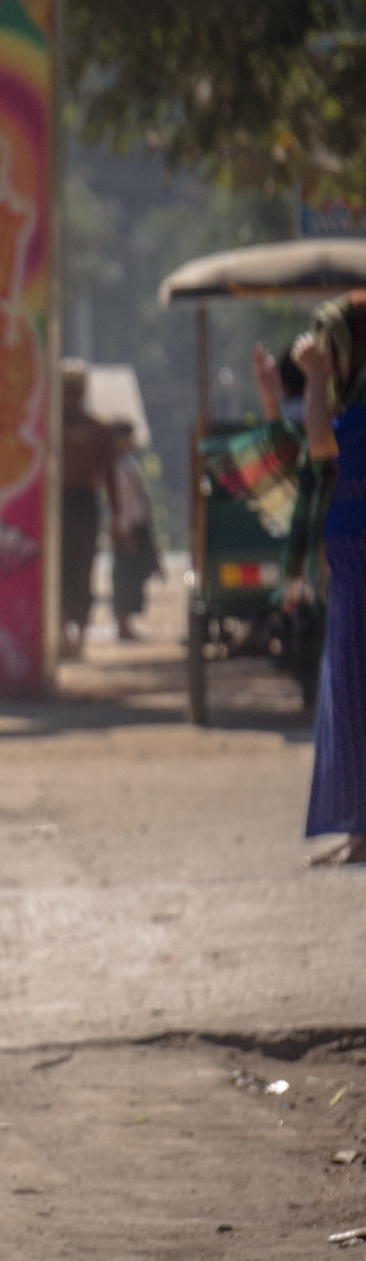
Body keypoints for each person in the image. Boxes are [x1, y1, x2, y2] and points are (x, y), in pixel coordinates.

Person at [291, 300, 366, 866]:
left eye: (332, 347)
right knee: (349, 691)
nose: (327, 357)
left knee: (356, 691)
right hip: (349, 563)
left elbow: (320, 444)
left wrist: (313, 376)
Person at [58, 361, 111, 660]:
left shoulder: (98, 429)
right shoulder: (47, 428)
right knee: (60, 568)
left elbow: (110, 477)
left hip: (82, 502)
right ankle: (64, 631)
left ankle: (76, 634)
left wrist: (118, 517)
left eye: (72, 392)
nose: (69, 399)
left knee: (80, 567)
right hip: (59, 504)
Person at [106, 421, 160, 641]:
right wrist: (125, 533)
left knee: (134, 576)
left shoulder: (128, 463)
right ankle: (122, 625)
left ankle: (127, 624)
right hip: (126, 529)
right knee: (124, 577)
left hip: (137, 527)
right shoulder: (116, 468)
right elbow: (119, 503)